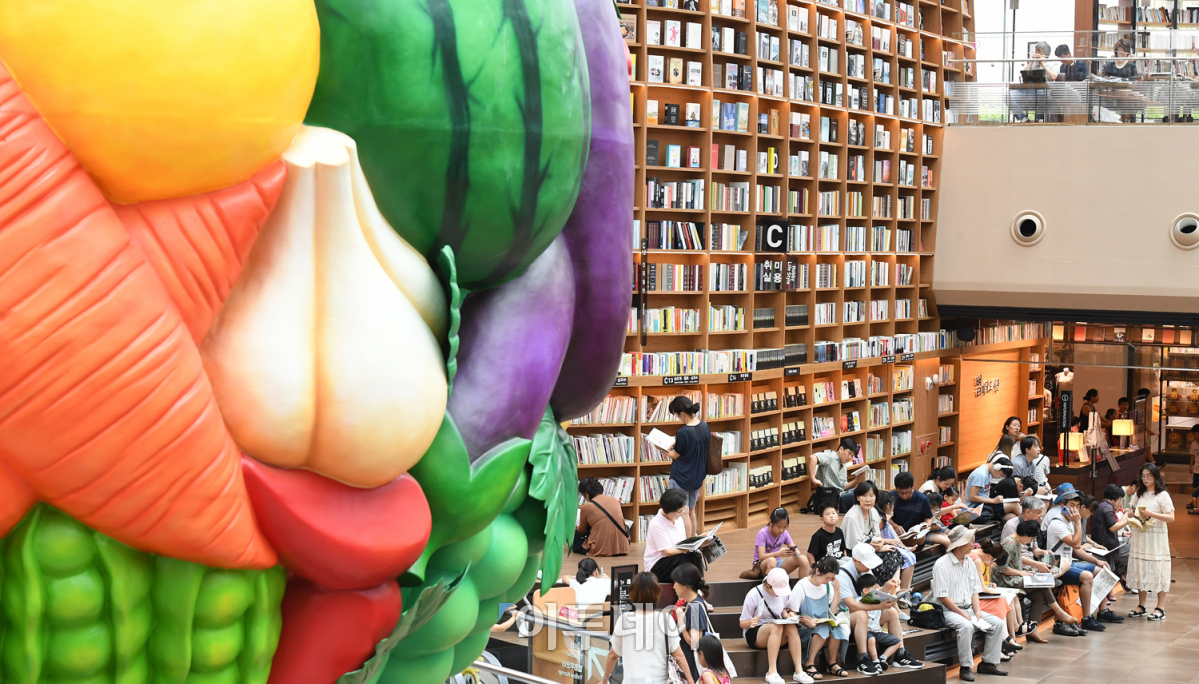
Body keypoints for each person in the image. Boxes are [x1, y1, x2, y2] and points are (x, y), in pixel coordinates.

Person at [931, 526, 1007, 681]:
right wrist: (961, 613)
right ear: (959, 543)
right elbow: (943, 596)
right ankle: (965, 667)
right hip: (947, 610)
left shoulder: (970, 563)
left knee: (997, 623)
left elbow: (975, 590)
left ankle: (987, 663)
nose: (973, 544)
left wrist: (977, 611)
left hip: (969, 608)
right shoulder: (941, 564)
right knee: (966, 626)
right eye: (969, 541)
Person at [994, 520, 1084, 641]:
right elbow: (1002, 567)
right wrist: (1021, 573)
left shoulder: (1016, 542)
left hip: (1015, 577)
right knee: (1042, 584)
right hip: (1006, 581)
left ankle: (1032, 630)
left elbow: (1018, 558)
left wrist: (1034, 565)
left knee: (1038, 596)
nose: (1030, 542)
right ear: (1025, 534)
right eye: (1031, 539)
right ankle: (1059, 612)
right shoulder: (1008, 544)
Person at [598, 572, 695, 684]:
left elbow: (613, 655)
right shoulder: (665, 619)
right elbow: (679, 656)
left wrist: (604, 680)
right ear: (657, 593)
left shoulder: (624, 620)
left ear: (633, 593)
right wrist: (691, 681)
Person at [1042, 489, 1111, 630]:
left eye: (1077, 506)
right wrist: (1078, 522)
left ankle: (1103, 611)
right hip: (1055, 564)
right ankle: (1087, 618)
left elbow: (1076, 550)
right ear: (1063, 506)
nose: (1075, 509)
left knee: (1102, 571)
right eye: (1072, 505)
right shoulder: (1058, 523)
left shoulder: (1070, 522)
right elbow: (1076, 544)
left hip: (1068, 562)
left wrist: (1096, 561)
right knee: (1087, 576)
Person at [738, 567, 810, 684]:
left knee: (791, 627)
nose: (779, 594)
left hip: (778, 630)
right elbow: (742, 623)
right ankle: (772, 671)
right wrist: (750, 622)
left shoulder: (783, 594)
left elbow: (783, 609)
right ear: (768, 585)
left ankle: (799, 670)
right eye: (778, 591)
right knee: (775, 627)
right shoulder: (753, 594)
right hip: (756, 632)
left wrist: (788, 615)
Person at [1124, 463, 1175, 621]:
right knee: (1141, 568)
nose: (1145, 479)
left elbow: (1171, 517)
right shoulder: (1139, 493)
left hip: (1156, 538)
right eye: (1143, 476)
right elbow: (1132, 510)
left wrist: (1151, 514)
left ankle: (1160, 607)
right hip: (1141, 535)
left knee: (1158, 569)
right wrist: (1131, 513)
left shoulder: (1162, 495)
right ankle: (1142, 605)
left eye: (1149, 476)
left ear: (1155, 477)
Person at [789, 556, 849, 679]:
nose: (828, 581)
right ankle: (809, 662)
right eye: (826, 578)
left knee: (836, 628)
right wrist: (806, 621)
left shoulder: (827, 586)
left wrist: (837, 592)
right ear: (817, 571)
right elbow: (792, 613)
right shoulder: (802, 586)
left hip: (823, 624)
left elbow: (832, 611)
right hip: (806, 628)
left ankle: (832, 663)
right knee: (823, 628)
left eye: (831, 578)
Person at [840, 481, 908, 588]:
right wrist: (878, 548)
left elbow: (877, 536)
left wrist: (880, 545)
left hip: (871, 549)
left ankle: (895, 589)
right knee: (884, 564)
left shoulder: (873, 511)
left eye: (871, 495)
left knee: (895, 553)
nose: (868, 499)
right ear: (858, 497)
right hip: (855, 555)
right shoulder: (852, 517)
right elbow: (856, 548)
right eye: (864, 495)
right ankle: (883, 590)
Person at [852, 573, 924, 673]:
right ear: (865, 591)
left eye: (878, 587)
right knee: (871, 640)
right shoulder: (858, 601)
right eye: (876, 588)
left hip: (877, 630)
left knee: (898, 640)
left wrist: (892, 589)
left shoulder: (877, 599)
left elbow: (889, 599)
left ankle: (886, 657)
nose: (878, 590)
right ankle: (874, 661)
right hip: (867, 632)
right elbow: (853, 608)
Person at [664, 396, 711, 537]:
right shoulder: (704, 426)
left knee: (682, 512)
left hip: (682, 476)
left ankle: (687, 542)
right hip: (697, 476)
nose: (678, 418)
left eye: (677, 415)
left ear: (682, 414)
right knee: (691, 511)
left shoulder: (683, 432)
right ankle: (692, 541)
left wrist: (661, 448)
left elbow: (675, 455)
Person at [971, 538, 1023, 659]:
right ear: (990, 557)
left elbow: (982, 583)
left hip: (974, 595)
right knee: (1001, 600)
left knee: (1002, 600)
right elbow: (981, 587)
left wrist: (992, 588)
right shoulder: (977, 560)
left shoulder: (978, 558)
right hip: (971, 598)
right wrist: (996, 592)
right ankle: (1006, 638)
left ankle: (1006, 639)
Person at [645, 489, 705, 582]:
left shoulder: (677, 519)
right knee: (682, 560)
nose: (681, 514)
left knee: (695, 556)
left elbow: (682, 543)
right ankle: (690, 586)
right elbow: (667, 552)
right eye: (679, 512)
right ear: (669, 511)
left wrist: (699, 541)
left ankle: (699, 584)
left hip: (675, 557)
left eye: (682, 510)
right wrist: (688, 548)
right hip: (658, 564)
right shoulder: (656, 524)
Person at [673, 563, 712, 680]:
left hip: (692, 665)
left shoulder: (695, 607)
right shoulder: (690, 603)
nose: (674, 586)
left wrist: (681, 623)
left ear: (685, 584)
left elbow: (694, 643)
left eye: (675, 582)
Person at [891, 471, 951, 549]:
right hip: (896, 534)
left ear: (913, 486)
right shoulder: (891, 497)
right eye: (901, 492)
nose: (904, 495)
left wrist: (926, 525)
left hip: (916, 535)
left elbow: (928, 518)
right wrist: (894, 525)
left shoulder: (922, 499)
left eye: (907, 492)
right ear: (896, 487)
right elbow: (885, 517)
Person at [808, 437, 867, 514]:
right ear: (841, 449)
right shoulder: (830, 457)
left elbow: (844, 487)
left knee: (865, 489)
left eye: (852, 455)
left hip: (840, 496)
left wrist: (856, 480)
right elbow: (812, 457)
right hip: (829, 498)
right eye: (849, 453)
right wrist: (813, 478)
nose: (849, 457)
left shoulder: (843, 466)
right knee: (862, 494)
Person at [748, 507, 811, 579]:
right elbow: (761, 556)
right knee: (772, 561)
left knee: (803, 559)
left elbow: (793, 546)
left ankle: (804, 585)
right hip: (762, 565)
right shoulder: (762, 534)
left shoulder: (785, 533)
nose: (781, 530)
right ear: (770, 522)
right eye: (779, 527)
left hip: (777, 563)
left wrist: (795, 552)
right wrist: (778, 553)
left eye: (784, 527)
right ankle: (767, 584)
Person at [576, 477, 631, 557]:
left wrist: (575, 528)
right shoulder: (615, 500)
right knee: (626, 527)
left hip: (599, 548)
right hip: (622, 547)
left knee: (575, 535)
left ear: (586, 493)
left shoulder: (587, 506)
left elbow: (582, 531)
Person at [876, 491, 918, 596]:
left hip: (891, 545)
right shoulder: (880, 518)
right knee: (908, 557)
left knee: (910, 556)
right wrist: (886, 519)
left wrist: (904, 547)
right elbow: (876, 533)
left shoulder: (885, 517)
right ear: (888, 505)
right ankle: (902, 589)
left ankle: (906, 589)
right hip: (882, 547)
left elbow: (893, 534)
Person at [1092, 484, 1130, 580]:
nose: (1121, 503)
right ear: (1115, 498)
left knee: (1129, 542)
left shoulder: (1103, 505)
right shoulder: (1108, 508)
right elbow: (1113, 528)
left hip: (1103, 541)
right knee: (1133, 554)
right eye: (1120, 499)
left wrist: (1126, 516)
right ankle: (1126, 578)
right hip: (1107, 544)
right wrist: (1129, 520)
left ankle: (1124, 576)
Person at [966, 457, 1014, 522]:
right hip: (975, 508)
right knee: (1014, 505)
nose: (999, 477)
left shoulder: (988, 473)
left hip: (984, 506)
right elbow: (972, 497)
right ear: (997, 467)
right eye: (1001, 475)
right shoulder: (981, 474)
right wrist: (993, 501)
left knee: (1012, 516)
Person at [1189, 425, 1199, 514]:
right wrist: (1190, 466)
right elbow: (1192, 456)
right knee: (1195, 486)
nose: (1194, 437)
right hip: (1197, 470)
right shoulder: (1194, 444)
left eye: (1195, 435)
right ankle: (1194, 503)